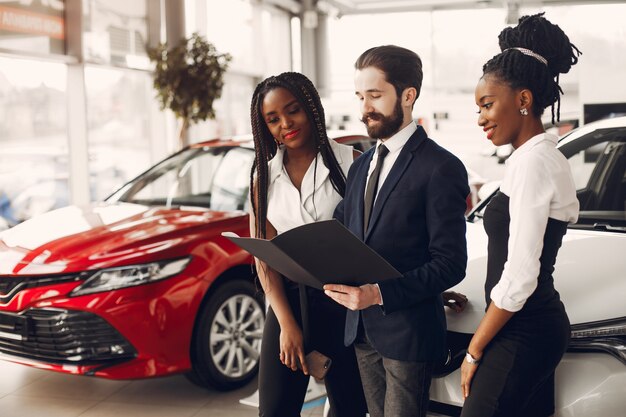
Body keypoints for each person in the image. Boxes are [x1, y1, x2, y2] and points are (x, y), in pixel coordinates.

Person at [324, 45, 470, 417]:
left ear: (408, 96)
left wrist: (379, 293)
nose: (364, 108)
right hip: (360, 331)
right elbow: (346, 237)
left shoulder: (441, 167)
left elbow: (450, 263)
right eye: (360, 96)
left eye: (375, 95)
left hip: (408, 334)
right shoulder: (361, 167)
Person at [460, 13, 581, 417]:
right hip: (521, 326)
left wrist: (475, 349)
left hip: (523, 330)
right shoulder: (531, 159)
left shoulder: (535, 163)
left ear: (524, 100)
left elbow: (520, 276)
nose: (480, 118)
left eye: (488, 105)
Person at [248, 72, 367, 417]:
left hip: (345, 306)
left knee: (350, 410)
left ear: (311, 107)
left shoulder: (352, 163)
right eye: (273, 119)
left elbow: (377, 242)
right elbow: (265, 260)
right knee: (274, 410)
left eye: (293, 110)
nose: (286, 124)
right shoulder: (264, 178)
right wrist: (287, 324)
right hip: (289, 304)